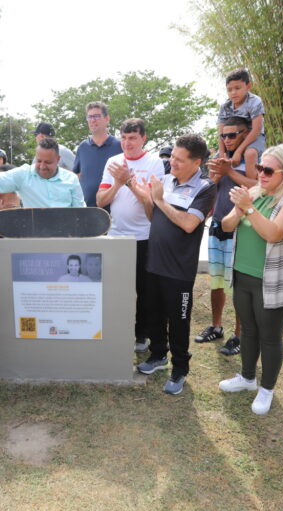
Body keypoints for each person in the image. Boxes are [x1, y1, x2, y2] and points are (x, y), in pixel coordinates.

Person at [217, 144, 283, 415]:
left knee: (270, 336)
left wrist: (249, 209)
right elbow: (226, 225)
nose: (261, 174)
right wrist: (240, 207)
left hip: (272, 278)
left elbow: (275, 233)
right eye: (259, 168)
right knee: (248, 329)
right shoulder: (255, 193)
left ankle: (267, 389)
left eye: (268, 170)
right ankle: (247, 378)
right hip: (243, 274)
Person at [130, 134, 217, 395]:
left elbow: (189, 224)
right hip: (154, 262)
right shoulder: (166, 180)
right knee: (153, 314)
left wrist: (158, 200)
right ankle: (158, 355)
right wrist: (149, 198)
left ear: (197, 162)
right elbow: (152, 216)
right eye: (173, 158)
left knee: (178, 320)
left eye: (179, 160)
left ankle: (180, 368)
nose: (173, 164)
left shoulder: (205, 187)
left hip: (178, 269)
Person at [97, 118, 165, 353]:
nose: (127, 143)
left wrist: (128, 181)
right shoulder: (113, 162)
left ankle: (141, 334)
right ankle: (117, 331)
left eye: (133, 138)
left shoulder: (155, 163)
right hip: (116, 236)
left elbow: (152, 201)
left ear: (143, 138)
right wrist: (118, 183)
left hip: (144, 236)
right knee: (117, 289)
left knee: (144, 291)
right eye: (124, 138)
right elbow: (100, 200)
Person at [194, 117, 258, 355]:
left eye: (233, 135)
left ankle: (240, 336)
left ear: (246, 133)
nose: (228, 140)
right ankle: (216, 326)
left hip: (241, 228)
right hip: (218, 223)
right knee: (217, 280)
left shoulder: (252, 157)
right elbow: (207, 188)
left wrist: (230, 170)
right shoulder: (221, 159)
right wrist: (217, 174)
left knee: (239, 285)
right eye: (224, 135)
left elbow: (257, 186)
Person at [0, 138, 85, 208]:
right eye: (39, 161)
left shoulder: (71, 179)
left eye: (48, 162)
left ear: (58, 160)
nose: (42, 166)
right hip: (33, 241)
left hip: (66, 240)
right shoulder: (24, 174)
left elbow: (80, 212)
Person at [72, 101, 123, 207]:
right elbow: (76, 176)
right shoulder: (82, 147)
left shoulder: (120, 146)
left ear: (107, 119)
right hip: (86, 210)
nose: (92, 120)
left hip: (114, 209)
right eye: (89, 117)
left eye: (96, 116)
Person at [217, 68, 266, 169]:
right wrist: (222, 154)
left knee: (250, 154)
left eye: (237, 88)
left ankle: (251, 183)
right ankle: (212, 185)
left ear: (248, 86)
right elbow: (221, 133)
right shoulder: (225, 106)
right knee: (216, 159)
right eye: (229, 90)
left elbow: (256, 130)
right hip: (232, 138)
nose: (233, 93)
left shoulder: (255, 102)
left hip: (253, 138)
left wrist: (239, 151)